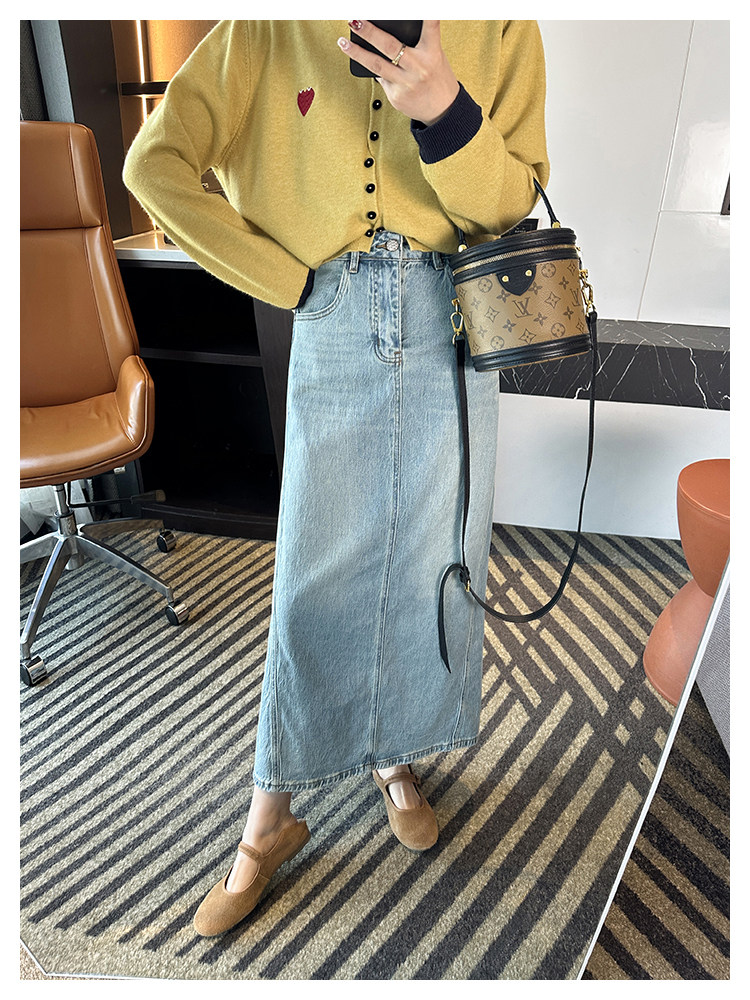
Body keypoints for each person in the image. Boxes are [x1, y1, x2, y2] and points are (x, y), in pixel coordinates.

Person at [123, 19, 549, 937]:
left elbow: (513, 203)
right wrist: (284, 279)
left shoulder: (502, 23)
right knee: (314, 576)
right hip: (335, 312)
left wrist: (445, 109)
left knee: (432, 557)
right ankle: (268, 816)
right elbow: (153, 166)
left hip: (454, 321)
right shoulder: (268, 25)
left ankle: (391, 754)